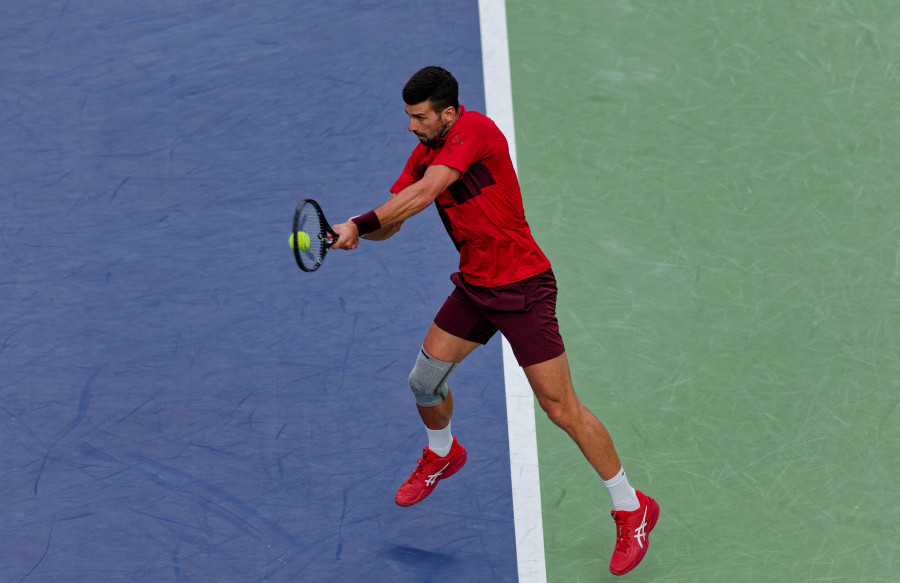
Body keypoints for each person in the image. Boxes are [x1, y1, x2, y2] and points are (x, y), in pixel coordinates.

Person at [330, 66, 659, 576]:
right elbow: (395, 216)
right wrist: (353, 233)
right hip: (476, 287)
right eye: (408, 117)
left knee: (561, 408)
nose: (412, 127)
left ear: (448, 112)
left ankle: (632, 507)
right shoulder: (423, 154)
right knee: (424, 382)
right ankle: (443, 451)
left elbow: (421, 196)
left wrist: (360, 221)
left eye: (419, 117)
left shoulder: (476, 133)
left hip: (524, 287)